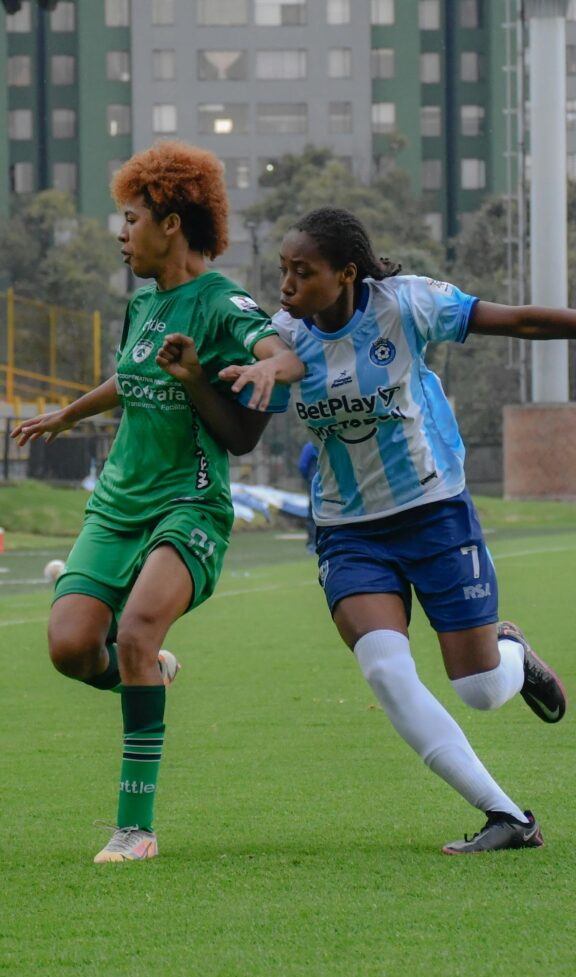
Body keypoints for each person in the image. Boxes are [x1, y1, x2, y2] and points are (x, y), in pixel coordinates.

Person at [220, 204, 569, 855]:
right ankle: (508, 818)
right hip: (349, 533)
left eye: (303, 271)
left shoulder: (406, 305)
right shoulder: (282, 334)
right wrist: (234, 372)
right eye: (282, 271)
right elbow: (261, 400)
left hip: (434, 513)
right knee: (385, 670)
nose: (287, 285)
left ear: (346, 273)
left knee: (480, 690)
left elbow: (516, 319)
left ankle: (513, 655)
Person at [11, 140, 295, 864]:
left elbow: (271, 346)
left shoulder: (220, 300)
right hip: (117, 506)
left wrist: (271, 366)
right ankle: (154, 672)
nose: (121, 231)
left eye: (131, 217)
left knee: (134, 633)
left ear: (171, 222)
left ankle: (134, 829)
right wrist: (69, 414)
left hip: (188, 505)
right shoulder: (144, 305)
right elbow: (132, 377)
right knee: (72, 647)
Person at [298, 440, 318, 553]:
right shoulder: (330, 441)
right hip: (330, 484)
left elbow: (302, 466)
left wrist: (309, 479)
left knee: (313, 514)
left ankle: (313, 543)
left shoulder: (310, 446)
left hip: (314, 483)